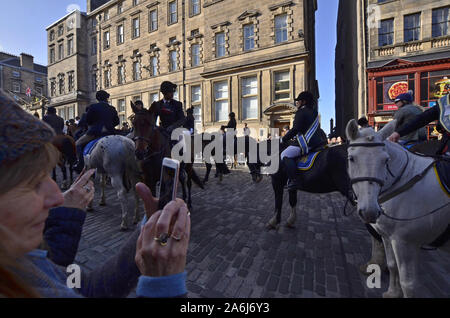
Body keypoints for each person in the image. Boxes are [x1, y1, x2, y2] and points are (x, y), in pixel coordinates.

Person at [0, 93, 191, 298]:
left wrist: (146, 230)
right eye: (32, 183)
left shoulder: (26, 260)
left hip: (94, 135)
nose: (58, 197)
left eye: (45, 174)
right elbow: (117, 121)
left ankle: (78, 163)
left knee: (80, 143)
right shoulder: (109, 109)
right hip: (112, 132)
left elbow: (86, 287)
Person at [280, 91, 327, 189]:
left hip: (307, 143)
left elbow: (296, 129)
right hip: (318, 142)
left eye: (298, 101)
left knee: (284, 155)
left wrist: (283, 139)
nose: (297, 103)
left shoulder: (301, 112)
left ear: (304, 102)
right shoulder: (314, 112)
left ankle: (295, 180)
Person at [74, 90, 120, 173]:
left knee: (78, 143)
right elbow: (117, 121)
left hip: (95, 133)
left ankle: (80, 164)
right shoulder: (112, 108)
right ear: (106, 98)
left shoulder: (93, 107)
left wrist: (94, 124)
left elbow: (88, 120)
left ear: (97, 98)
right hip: (110, 132)